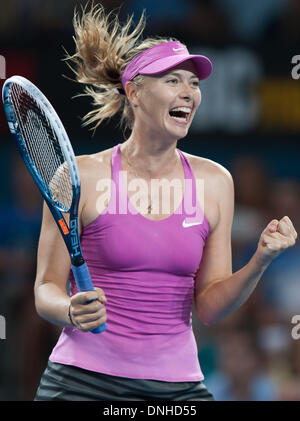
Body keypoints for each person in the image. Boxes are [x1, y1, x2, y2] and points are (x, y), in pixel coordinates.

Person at [34, 5, 297, 401]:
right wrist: (70, 309)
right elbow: (45, 289)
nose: (188, 93)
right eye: (173, 80)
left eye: (193, 83)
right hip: (80, 380)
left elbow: (209, 307)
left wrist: (260, 259)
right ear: (135, 92)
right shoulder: (80, 177)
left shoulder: (215, 182)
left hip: (177, 387)